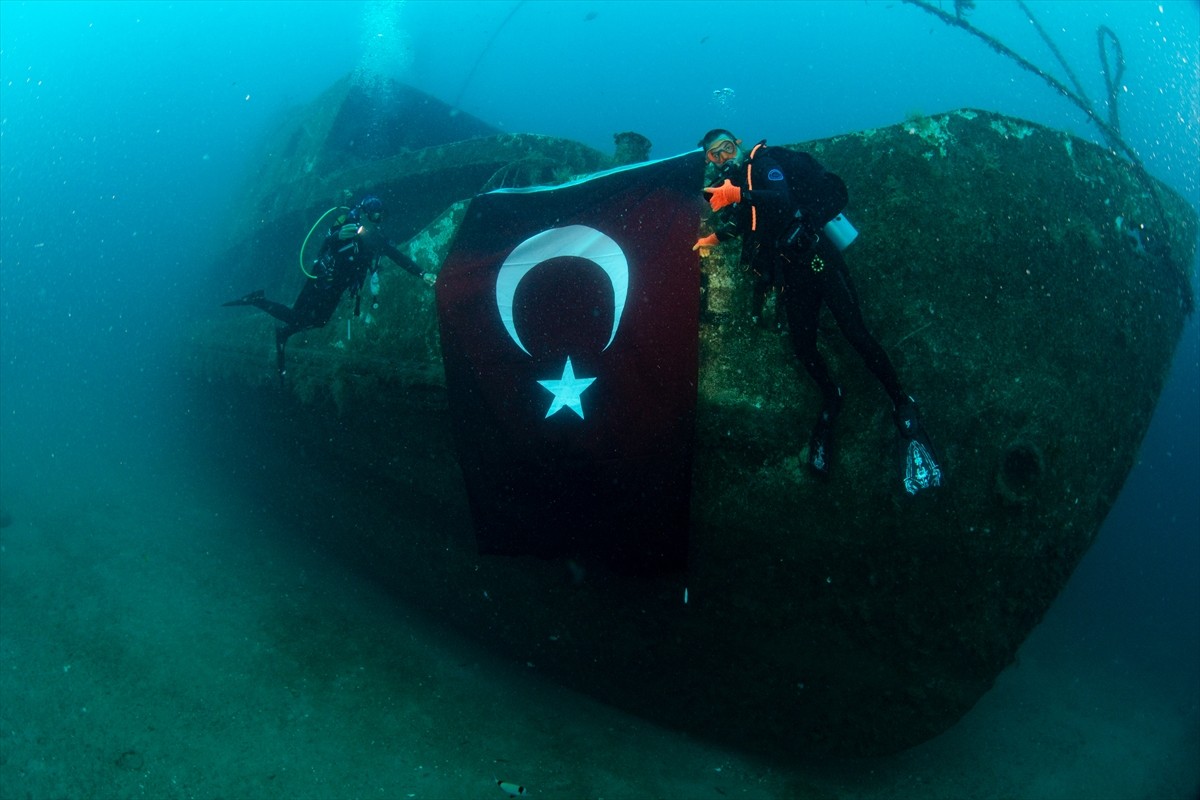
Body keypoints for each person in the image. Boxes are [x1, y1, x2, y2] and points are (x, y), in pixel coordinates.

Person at [692, 130, 941, 492]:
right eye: (714, 157)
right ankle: (831, 395)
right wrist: (710, 240)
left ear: (739, 145)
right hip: (791, 274)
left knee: (854, 332)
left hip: (818, 258)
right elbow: (746, 225)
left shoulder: (765, 164)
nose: (723, 158)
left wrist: (740, 193)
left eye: (726, 148)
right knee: (803, 347)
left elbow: (780, 199)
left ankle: (902, 400)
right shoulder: (733, 185)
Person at [223, 195, 435, 378]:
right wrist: (336, 236)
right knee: (299, 316)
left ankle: (282, 329)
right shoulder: (346, 226)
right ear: (364, 214)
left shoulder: (375, 239)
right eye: (374, 215)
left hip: (336, 288)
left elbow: (397, 256)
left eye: (381, 216)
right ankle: (260, 303)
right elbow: (324, 246)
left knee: (320, 321)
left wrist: (422, 273)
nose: (378, 221)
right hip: (320, 280)